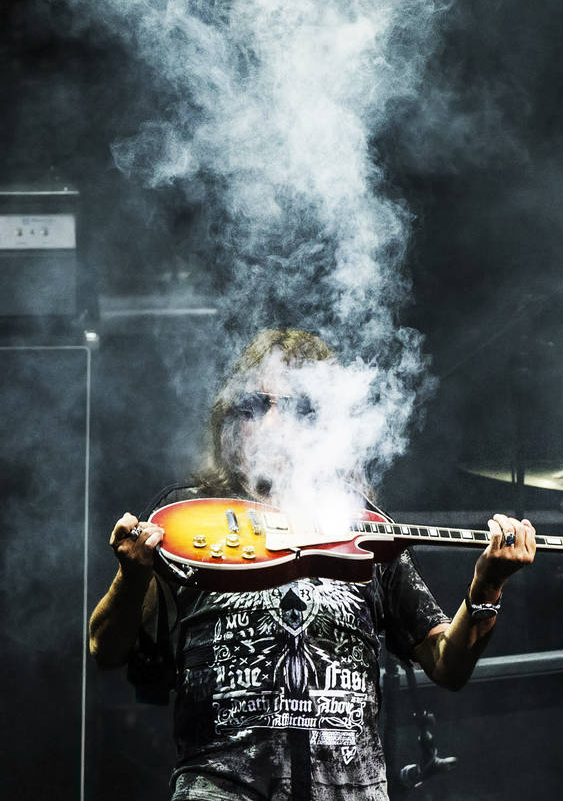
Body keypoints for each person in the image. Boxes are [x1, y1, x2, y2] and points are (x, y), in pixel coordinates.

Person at [90, 329, 536, 801]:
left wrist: (487, 587)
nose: (272, 424)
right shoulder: (187, 515)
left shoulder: (363, 526)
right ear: (229, 419)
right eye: (254, 405)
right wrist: (130, 576)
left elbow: (447, 664)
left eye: (298, 407)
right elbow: (104, 647)